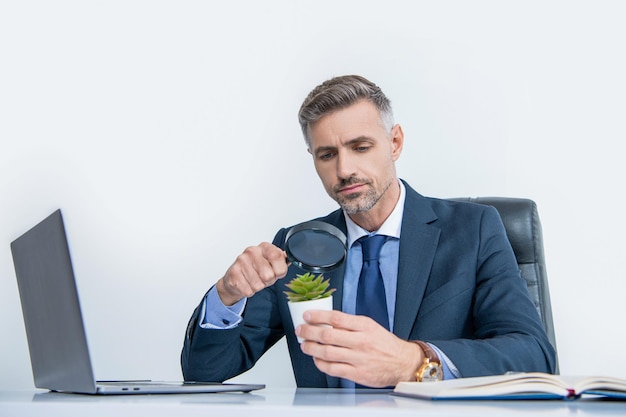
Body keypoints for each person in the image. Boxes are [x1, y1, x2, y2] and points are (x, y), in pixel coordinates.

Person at [181, 75, 557, 388]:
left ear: (394, 143)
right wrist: (227, 297)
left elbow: (534, 356)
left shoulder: (474, 230)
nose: (344, 170)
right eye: (327, 154)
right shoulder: (295, 247)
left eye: (360, 147)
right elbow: (204, 374)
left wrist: (414, 361)